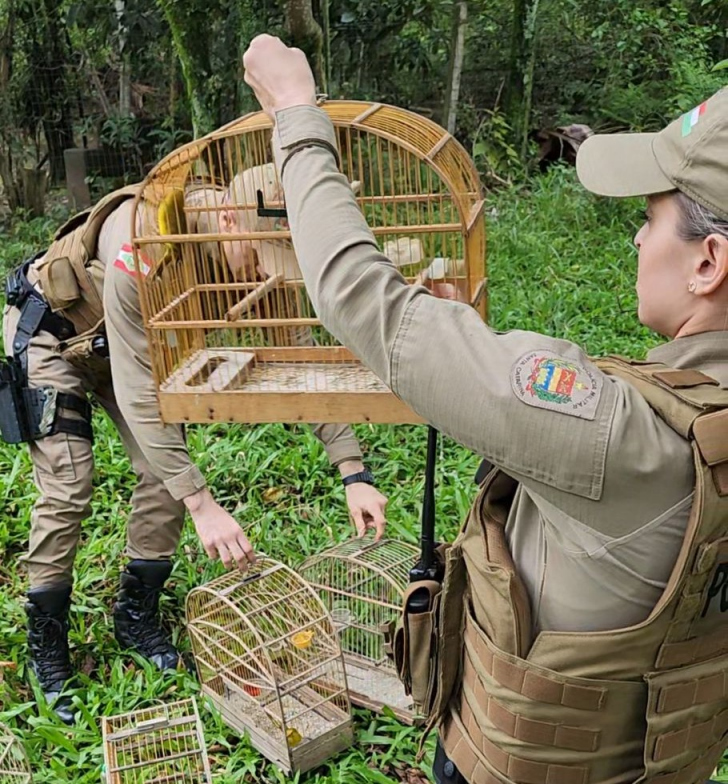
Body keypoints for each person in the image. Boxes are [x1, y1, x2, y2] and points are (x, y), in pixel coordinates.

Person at [241, 36, 728, 784]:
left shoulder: (626, 440)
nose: (637, 235)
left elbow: (357, 296)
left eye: (653, 217)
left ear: (708, 262)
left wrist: (296, 115)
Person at [0, 165, 388, 725]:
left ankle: (136, 616)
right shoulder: (148, 243)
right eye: (259, 254)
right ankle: (47, 641)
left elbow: (299, 356)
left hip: (123, 347)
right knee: (70, 483)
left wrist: (353, 471)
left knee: (163, 475)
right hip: (53, 338)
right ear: (228, 218)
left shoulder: (244, 244)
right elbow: (138, 391)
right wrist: (203, 505)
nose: (261, 269)